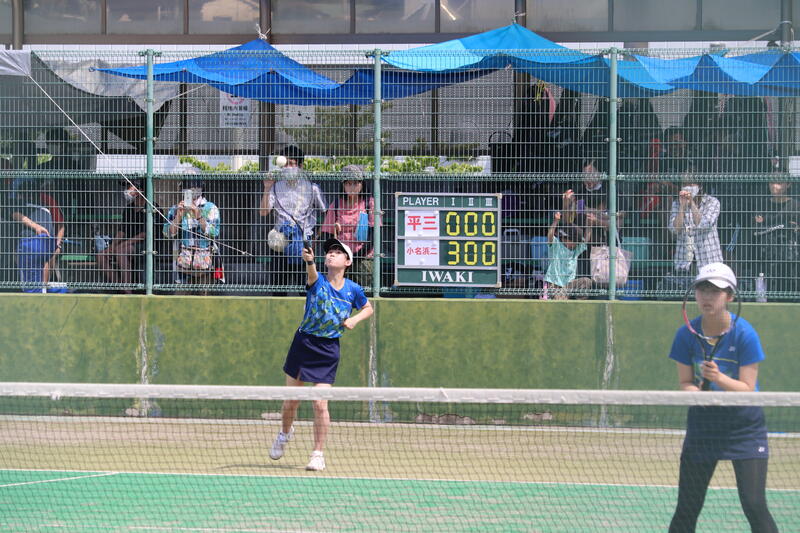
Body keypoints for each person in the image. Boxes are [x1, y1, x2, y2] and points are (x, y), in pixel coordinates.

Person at [668, 262, 778, 533]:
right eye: (702, 289)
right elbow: (685, 383)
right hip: (703, 427)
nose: (707, 296)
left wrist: (718, 378)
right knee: (687, 507)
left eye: (715, 291)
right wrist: (697, 394)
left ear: (729, 296)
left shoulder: (745, 334)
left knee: (754, 504)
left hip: (744, 428)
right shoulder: (685, 334)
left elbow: (748, 389)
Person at [269, 237, 373, 471]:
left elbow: (368, 308)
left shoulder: (353, 290)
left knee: (319, 403)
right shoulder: (318, 281)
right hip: (304, 343)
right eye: (329, 252)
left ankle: (317, 453)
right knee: (291, 401)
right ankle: (285, 433)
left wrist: (354, 320)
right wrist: (309, 261)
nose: (331, 254)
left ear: (348, 262)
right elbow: (312, 274)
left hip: (328, 350)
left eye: (338, 252)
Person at [260, 146, 326, 290]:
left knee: (305, 287)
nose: (288, 168)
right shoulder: (275, 187)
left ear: (300, 166)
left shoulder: (312, 188)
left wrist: (316, 238)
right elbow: (263, 212)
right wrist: (267, 188)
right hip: (280, 242)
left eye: (291, 163)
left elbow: (326, 213)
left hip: (303, 242)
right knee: (278, 287)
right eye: (285, 164)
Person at [319, 165, 374, 287]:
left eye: (355, 183)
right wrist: (340, 255)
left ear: (362, 184)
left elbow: (375, 234)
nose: (352, 187)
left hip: (364, 258)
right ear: (343, 185)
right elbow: (327, 234)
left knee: (363, 291)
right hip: (341, 259)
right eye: (348, 183)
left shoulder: (369, 203)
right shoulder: (336, 204)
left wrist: (357, 256)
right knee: (339, 291)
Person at [97, 180, 157, 292]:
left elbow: (144, 234)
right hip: (128, 244)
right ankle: (120, 286)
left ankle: (127, 290)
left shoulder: (152, 208)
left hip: (147, 246)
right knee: (101, 255)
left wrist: (123, 244)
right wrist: (113, 246)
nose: (127, 190)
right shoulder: (129, 209)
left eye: (130, 187)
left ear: (140, 190)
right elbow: (122, 231)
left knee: (121, 250)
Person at [163, 177, 220, 291]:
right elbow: (167, 233)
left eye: (195, 185)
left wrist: (198, 215)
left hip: (204, 261)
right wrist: (178, 216)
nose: (191, 189)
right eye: (187, 185)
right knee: (181, 296)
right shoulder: (175, 209)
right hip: (182, 261)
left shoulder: (210, 208)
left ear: (201, 188)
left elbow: (214, 233)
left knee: (204, 296)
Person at [750, 180, 800, 295]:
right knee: (768, 291)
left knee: (790, 290)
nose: (774, 186)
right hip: (766, 256)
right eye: (771, 183)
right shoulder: (762, 205)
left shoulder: (796, 206)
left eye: (779, 183)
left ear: (788, 184)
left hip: (790, 257)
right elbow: (756, 229)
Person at [10, 180, 58, 293]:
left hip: (28, 245)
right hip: (46, 244)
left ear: (21, 195)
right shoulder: (46, 210)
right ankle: (43, 290)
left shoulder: (20, 206)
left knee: (29, 286)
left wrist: (35, 226)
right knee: (44, 264)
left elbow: (14, 214)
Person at [668, 176, 722, 276]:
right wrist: (682, 207)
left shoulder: (712, 202)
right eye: (684, 184)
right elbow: (674, 229)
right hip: (684, 262)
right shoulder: (676, 204)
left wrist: (692, 203)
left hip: (709, 261)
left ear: (700, 186)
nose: (687, 187)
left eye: (691, 184)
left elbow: (704, 224)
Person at [544, 211, 592, 300]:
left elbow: (586, 240)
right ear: (565, 238)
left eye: (577, 242)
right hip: (554, 286)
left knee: (586, 281)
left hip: (568, 286)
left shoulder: (575, 251)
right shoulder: (557, 246)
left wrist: (589, 224)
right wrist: (555, 221)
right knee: (559, 301)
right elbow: (550, 236)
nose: (576, 244)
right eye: (574, 241)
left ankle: (580, 304)